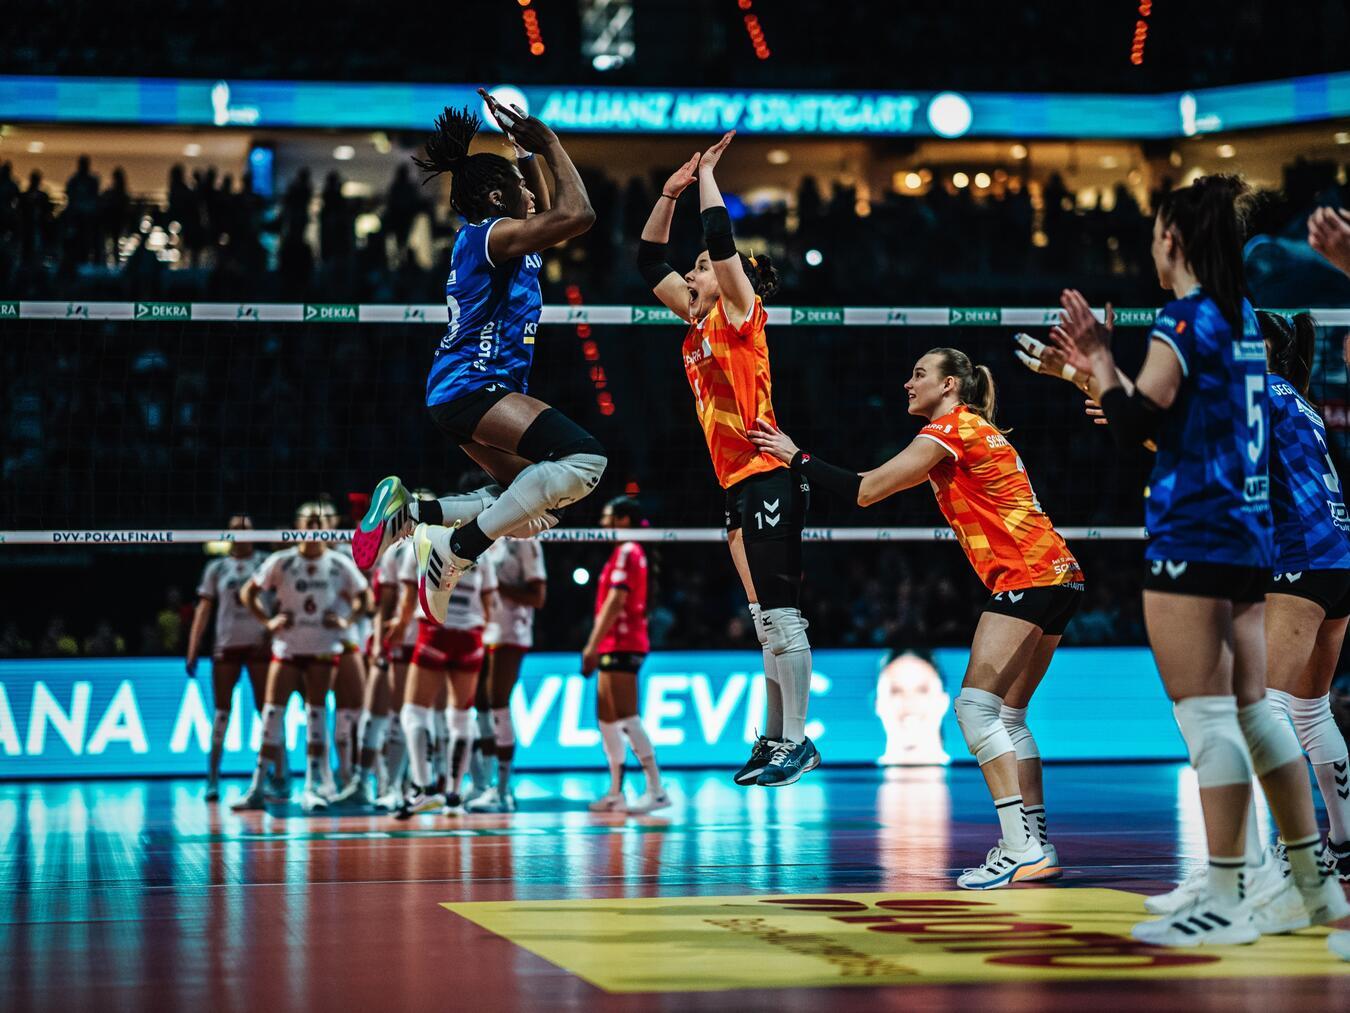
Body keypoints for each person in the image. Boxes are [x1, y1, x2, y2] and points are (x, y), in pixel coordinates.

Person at [1037, 174, 1347, 945]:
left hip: (1197, 534)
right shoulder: (1244, 320)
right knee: (1265, 712)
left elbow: (1137, 418)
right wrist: (1096, 379)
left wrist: (1099, 362)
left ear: (1171, 238)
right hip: (1253, 542)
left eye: (1153, 231)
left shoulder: (1187, 316)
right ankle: (1313, 879)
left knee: (1212, 716)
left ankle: (1228, 890)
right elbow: (1185, 425)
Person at [751, 349, 1082, 889]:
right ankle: (1037, 844)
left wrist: (795, 457)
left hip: (1026, 577)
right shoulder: (978, 427)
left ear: (949, 385)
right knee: (1011, 717)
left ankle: (1019, 846)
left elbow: (866, 490)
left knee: (976, 709)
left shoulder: (950, 428)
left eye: (919, 375)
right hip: (1061, 574)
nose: (908, 383)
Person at [352, 93, 602, 627]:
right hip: (474, 386)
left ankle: (412, 516)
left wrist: (524, 154)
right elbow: (577, 214)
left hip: (462, 391)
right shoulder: (490, 236)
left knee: (536, 510)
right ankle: (455, 551)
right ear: (495, 197)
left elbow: (546, 206)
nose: (531, 199)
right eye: (518, 189)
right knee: (585, 460)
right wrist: (551, 143)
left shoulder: (508, 240)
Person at [636, 131, 817, 787]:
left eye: (702, 268)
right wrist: (668, 191)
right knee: (763, 616)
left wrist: (710, 175)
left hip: (769, 476)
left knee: (781, 612)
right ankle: (775, 737)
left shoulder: (743, 311)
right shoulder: (695, 321)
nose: (692, 273)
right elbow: (646, 256)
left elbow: (719, 239)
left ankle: (797, 739)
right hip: (737, 483)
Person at [232, 504, 370, 813]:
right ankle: (257, 786)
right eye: (308, 520)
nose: (314, 524)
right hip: (287, 649)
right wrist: (267, 622)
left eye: (319, 520)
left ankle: (312, 786)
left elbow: (365, 597)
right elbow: (247, 593)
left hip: (323, 649)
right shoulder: (281, 561)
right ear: (298, 524)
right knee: (271, 715)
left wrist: (347, 622)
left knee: (316, 715)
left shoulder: (338, 563)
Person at [393, 515, 499, 819]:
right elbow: (490, 604)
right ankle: (453, 796)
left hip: (434, 634)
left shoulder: (427, 543)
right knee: (461, 716)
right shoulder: (484, 551)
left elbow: (406, 596)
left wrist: (399, 626)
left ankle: (424, 788)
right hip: (470, 637)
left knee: (414, 711)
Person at [583, 498, 668, 814]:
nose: (602, 525)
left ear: (623, 520)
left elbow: (616, 601)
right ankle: (616, 791)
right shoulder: (624, 551)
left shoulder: (629, 550)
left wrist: (591, 645)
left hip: (623, 642)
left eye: (607, 518)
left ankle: (656, 789)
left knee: (627, 717)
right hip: (614, 644)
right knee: (606, 719)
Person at [185, 514, 270, 801]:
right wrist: (193, 647)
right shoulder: (217, 567)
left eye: (246, 528)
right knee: (222, 713)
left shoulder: (266, 563)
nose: (241, 532)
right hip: (226, 646)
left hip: (259, 645)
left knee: (268, 713)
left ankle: (275, 776)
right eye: (235, 529)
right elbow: (203, 609)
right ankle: (212, 779)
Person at [467, 531, 547, 813]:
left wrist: (496, 586)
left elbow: (538, 597)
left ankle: (503, 789)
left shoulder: (525, 541)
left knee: (498, 702)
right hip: (481, 629)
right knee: (481, 706)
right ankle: (487, 785)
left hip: (512, 631)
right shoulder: (484, 538)